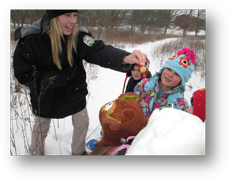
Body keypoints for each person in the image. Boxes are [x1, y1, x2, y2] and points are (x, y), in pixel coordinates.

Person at [13, 10, 147, 156]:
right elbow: (24, 74)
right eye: (67, 15)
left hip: (74, 92)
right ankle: (35, 155)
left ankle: (78, 153)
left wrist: (125, 58)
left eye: (75, 15)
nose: (73, 21)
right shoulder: (30, 39)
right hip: (45, 96)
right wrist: (60, 78)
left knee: (82, 124)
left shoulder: (80, 36)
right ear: (52, 17)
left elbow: (98, 50)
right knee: (40, 128)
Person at [134, 47, 196, 123]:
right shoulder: (143, 86)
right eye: (169, 69)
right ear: (163, 69)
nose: (170, 75)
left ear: (181, 81)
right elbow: (131, 105)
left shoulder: (180, 106)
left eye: (176, 74)